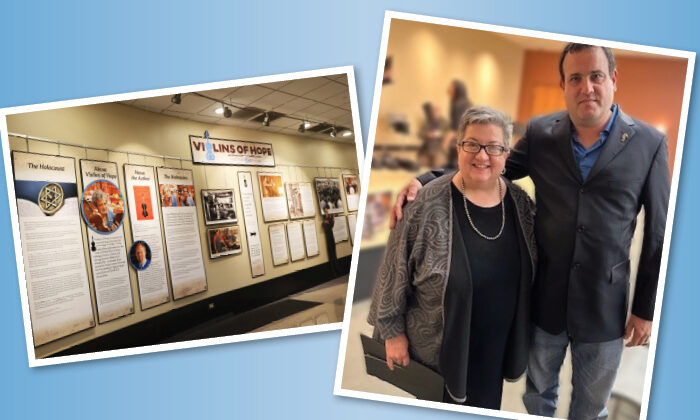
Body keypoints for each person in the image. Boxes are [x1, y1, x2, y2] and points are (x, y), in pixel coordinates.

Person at [390, 44, 670, 419]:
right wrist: (426, 179)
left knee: (592, 407)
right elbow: (490, 164)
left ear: (613, 80)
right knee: (538, 398)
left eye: (596, 76)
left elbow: (658, 233)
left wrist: (645, 309)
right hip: (546, 302)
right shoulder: (542, 134)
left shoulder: (649, 143)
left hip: (605, 307)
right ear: (563, 85)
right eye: (575, 78)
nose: (586, 87)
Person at [369, 107, 536, 409]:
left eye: (493, 147)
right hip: (439, 348)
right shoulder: (424, 204)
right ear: (458, 147)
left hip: (495, 348)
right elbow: (393, 271)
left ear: (506, 154)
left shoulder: (521, 204)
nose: (482, 156)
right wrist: (392, 333)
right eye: (472, 144)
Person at [321, 207, 342, 277]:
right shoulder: (324, 222)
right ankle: (333, 272)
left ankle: (337, 269)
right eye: (326, 211)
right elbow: (328, 225)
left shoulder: (328, 220)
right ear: (324, 213)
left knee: (334, 254)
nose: (327, 212)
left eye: (327, 211)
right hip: (328, 240)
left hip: (331, 239)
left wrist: (332, 219)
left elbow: (331, 225)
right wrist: (331, 220)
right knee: (331, 255)